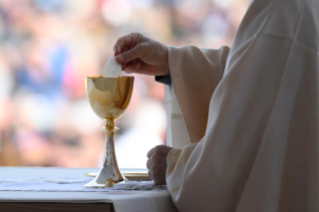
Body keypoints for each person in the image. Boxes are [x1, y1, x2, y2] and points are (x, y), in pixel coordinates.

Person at [113, 0, 319, 211]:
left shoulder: (282, 6)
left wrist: (176, 166)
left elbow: (232, 154)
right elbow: (266, 75)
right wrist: (171, 61)